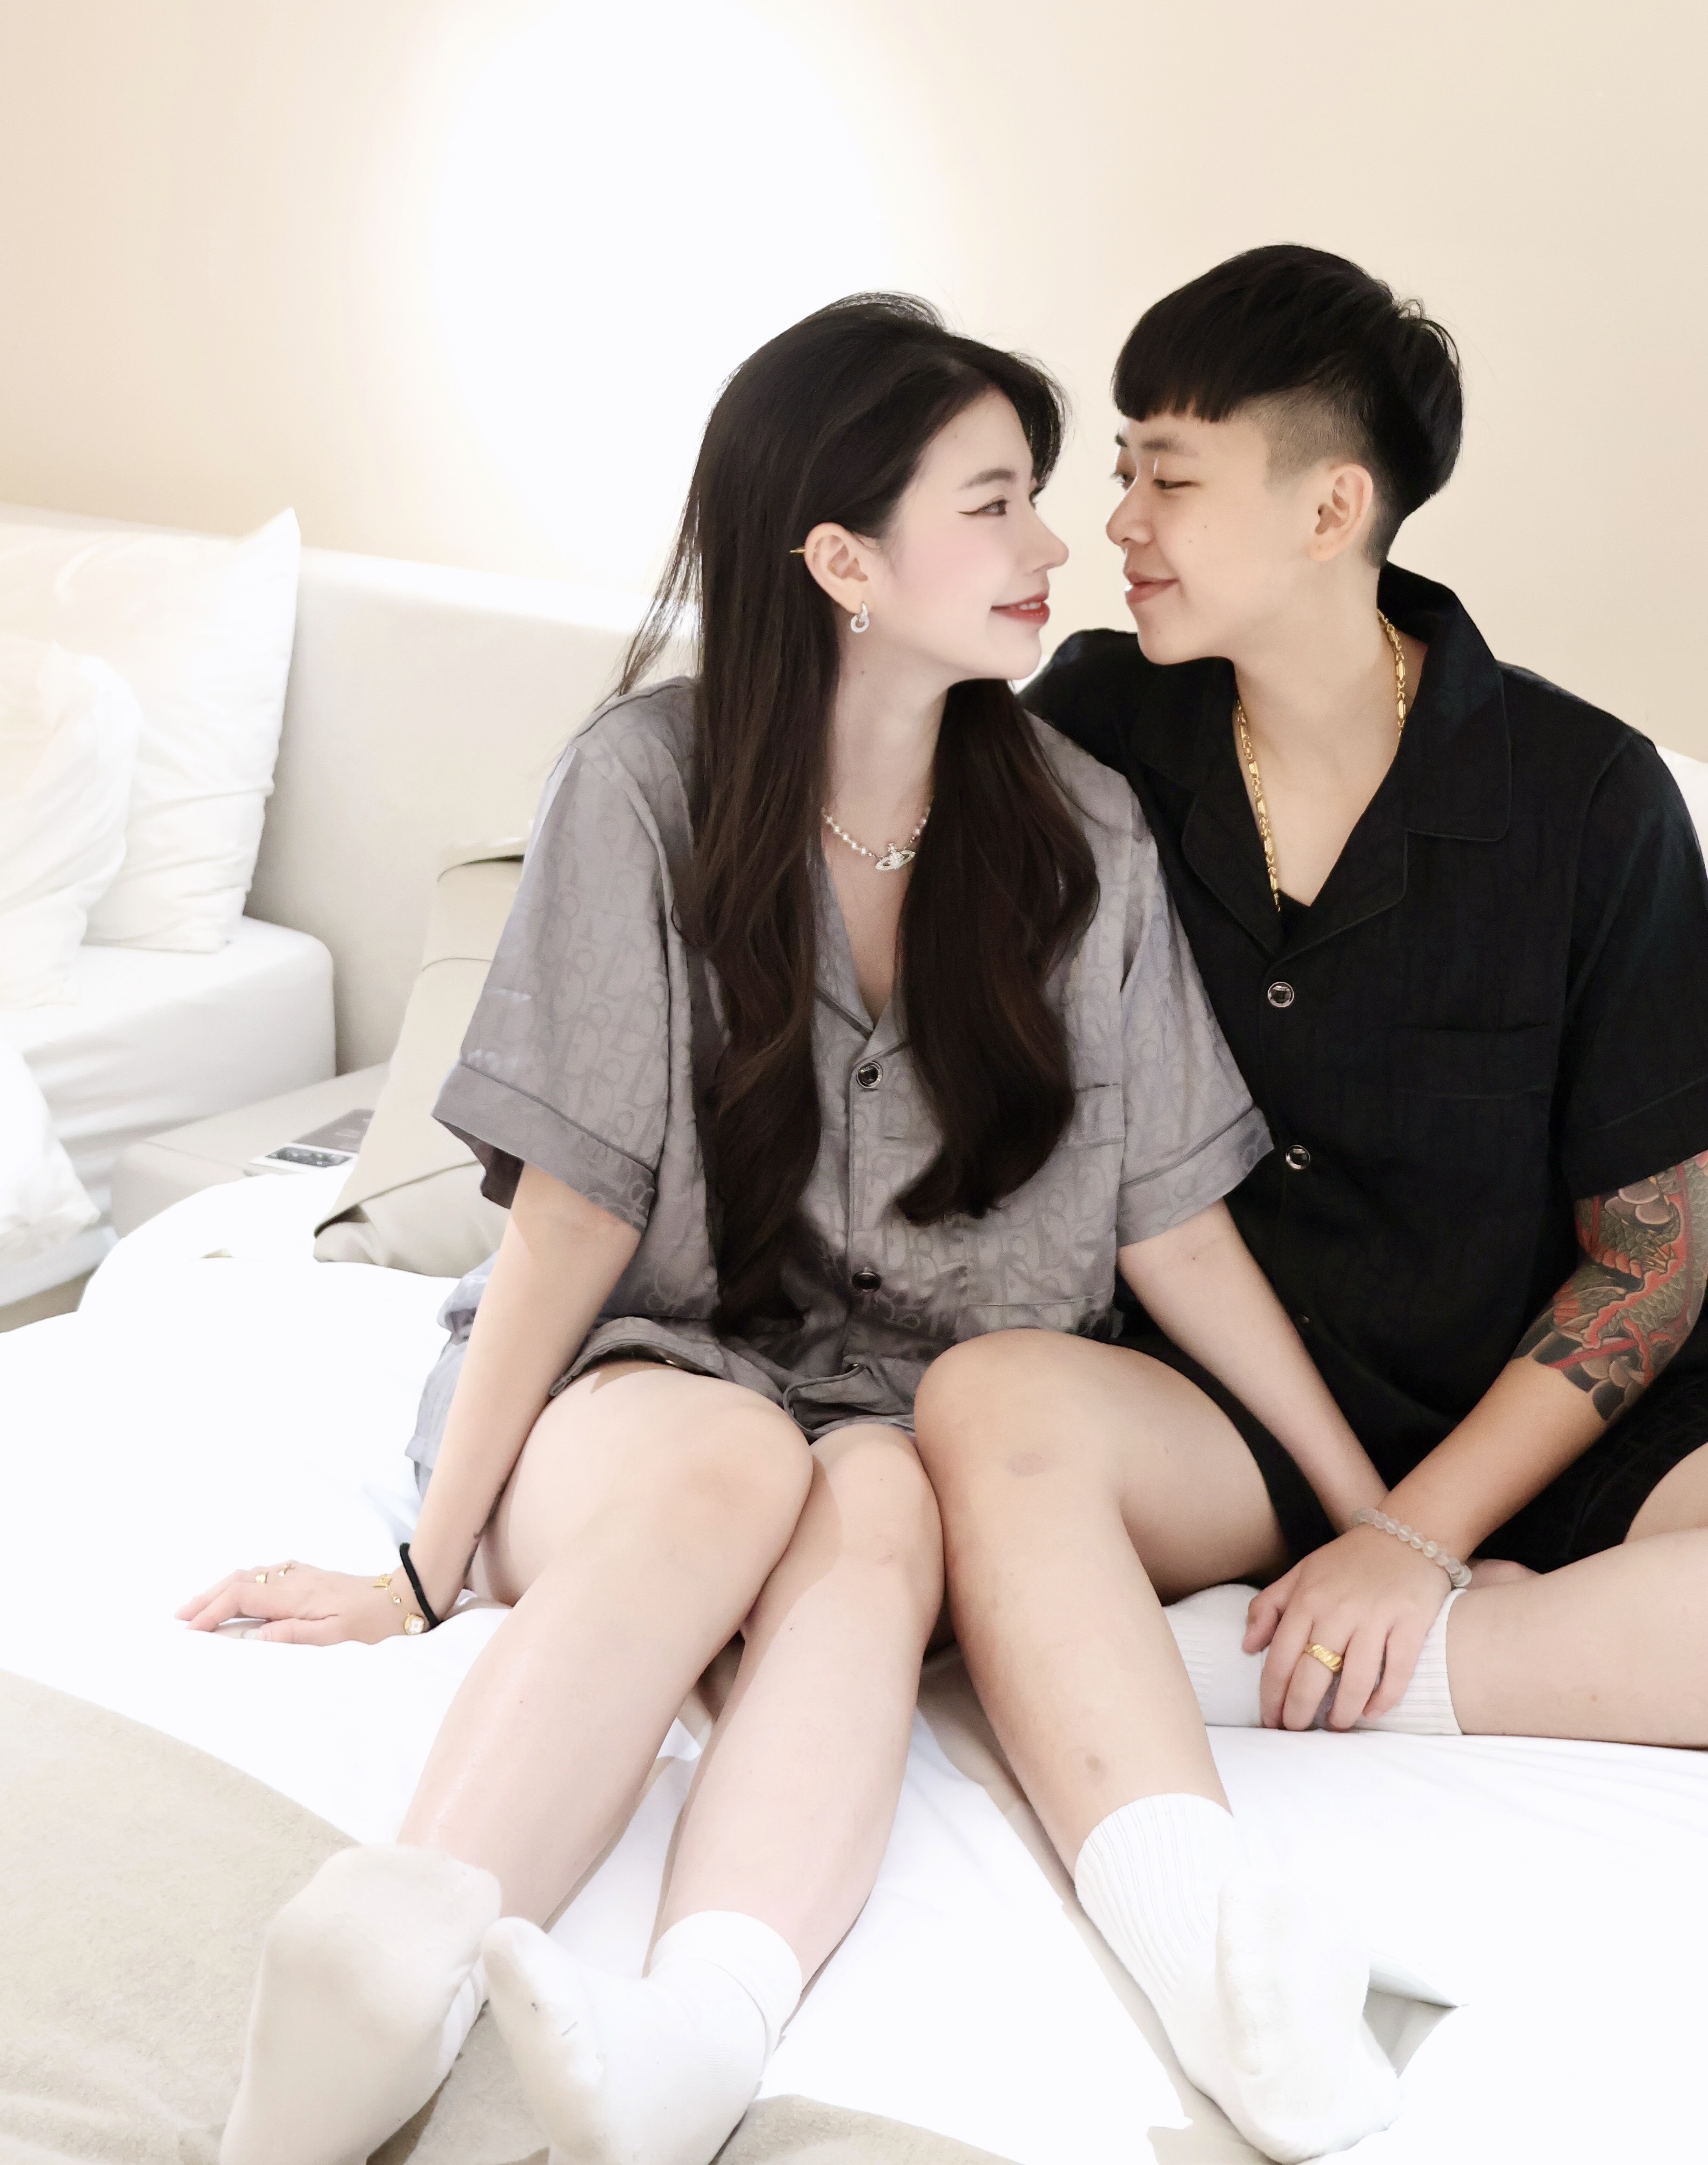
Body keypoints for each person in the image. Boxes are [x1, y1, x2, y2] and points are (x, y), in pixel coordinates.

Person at [181, 297, 1395, 2165]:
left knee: (882, 1503)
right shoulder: (640, 788)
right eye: (994, 505)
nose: (1055, 543)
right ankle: (393, 1945)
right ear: (842, 562)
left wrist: (1376, 1513)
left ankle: (698, 2028)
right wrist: (423, 1571)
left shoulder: (1082, 834)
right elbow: (573, 1220)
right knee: (728, 1468)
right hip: (651, 1376)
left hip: (918, 1409)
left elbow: (1173, 1224)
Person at [914, 246, 1708, 2128]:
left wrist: (1415, 1547)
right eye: (1121, 471)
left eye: (1167, 475)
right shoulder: (1097, 725)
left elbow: (1648, 1263)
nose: (1118, 524)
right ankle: (1197, 1928)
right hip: (1231, 1410)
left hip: (1548, 1422)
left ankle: (1246, 1674)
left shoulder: (1585, 797)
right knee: (988, 1408)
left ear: (1330, 507)